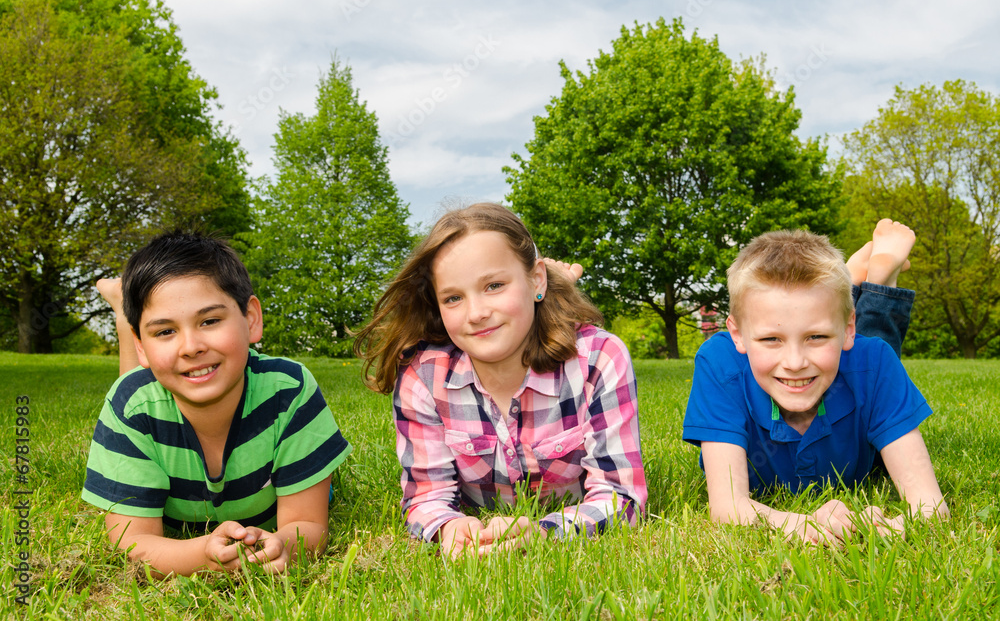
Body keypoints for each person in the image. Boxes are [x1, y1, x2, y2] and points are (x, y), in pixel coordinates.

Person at [354, 203, 646, 558]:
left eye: (494, 285)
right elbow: (425, 498)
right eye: (454, 298)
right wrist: (449, 527)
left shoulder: (599, 358)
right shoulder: (422, 376)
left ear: (537, 279)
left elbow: (621, 497)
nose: (476, 313)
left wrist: (545, 533)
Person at [82, 232, 352, 577]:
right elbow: (133, 542)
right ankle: (126, 316)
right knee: (138, 390)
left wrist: (284, 545)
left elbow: (308, 523)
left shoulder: (290, 390)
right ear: (142, 344)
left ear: (251, 319)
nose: (191, 346)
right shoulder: (130, 406)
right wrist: (201, 554)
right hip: (142, 388)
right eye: (164, 331)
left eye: (209, 321)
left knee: (149, 385)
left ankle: (133, 316)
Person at [682, 219, 949, 545]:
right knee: (847, 354)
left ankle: (878, 280)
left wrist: (884, 530)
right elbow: (727, 507)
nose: (794, 363)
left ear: (848, 328)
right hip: (843, 342)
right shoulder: (719, 363)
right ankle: (869, 281)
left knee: (873, 349)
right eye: (771, 339)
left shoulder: (872, 362)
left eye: (816, 336)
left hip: (859, 357)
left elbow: (931, 509)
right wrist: (809, 526)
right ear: (737, 334)